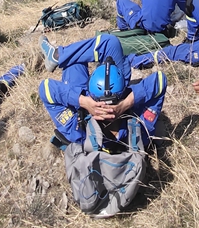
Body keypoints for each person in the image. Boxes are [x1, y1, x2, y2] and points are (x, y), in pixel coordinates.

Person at [38, 34, 167, 147]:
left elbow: (46, 87)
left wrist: (83, 101)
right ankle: (60, 55)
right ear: (122, 94)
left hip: (89, 101)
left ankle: (57, 55)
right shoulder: (138, 130)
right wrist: (126, 104)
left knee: (73, 63)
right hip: (106, 98)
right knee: (110, 44)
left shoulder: (77, 130)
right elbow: (160, 80)